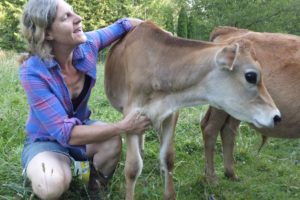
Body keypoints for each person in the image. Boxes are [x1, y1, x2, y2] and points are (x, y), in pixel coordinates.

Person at [19, 0, 151, 199]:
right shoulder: (32, 71)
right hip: (46, 140)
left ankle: (94, 187)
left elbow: (124, 24)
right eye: (66, 17)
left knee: (111, 142)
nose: (78, 18)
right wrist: (124, 126)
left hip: (80, 128)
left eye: (74, 12)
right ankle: (51, 167)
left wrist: (160, 34)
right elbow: (65, 133)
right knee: (50, 185)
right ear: (47, 33)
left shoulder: (88, 45)